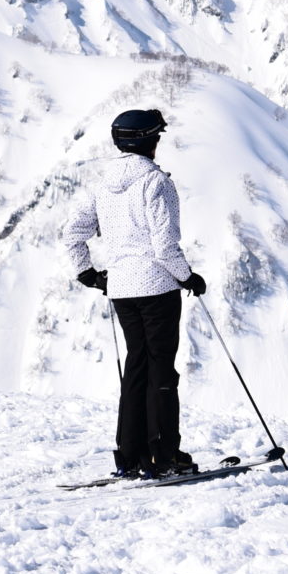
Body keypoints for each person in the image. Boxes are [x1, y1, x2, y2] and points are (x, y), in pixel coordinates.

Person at [64, 108, 207, 478]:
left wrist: (87, 274)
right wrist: (189, 277)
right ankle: (164, 456)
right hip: (157, 288)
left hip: (121, 290)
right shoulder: (155, 183)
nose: (159, 142)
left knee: (136, 368)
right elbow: (164, 246)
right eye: (157, 136)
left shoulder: (101, 184)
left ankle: (130, 456)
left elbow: (72, 232)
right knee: (162, 372)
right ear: (148, 141)